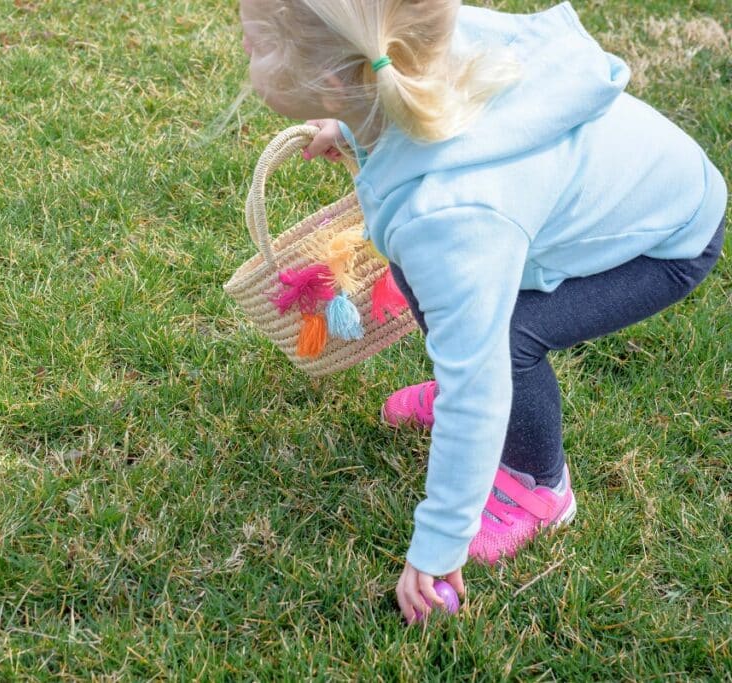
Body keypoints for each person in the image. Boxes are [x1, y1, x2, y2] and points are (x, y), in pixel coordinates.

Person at [238, 0, 727, 624]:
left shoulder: (449, 214)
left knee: (505, 339)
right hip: (602, 187)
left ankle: (538, 486)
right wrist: (354, 124)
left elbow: (479, 384)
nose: (248, 50)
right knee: (438, 280)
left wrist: (438, 546)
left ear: (334, 80)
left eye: (259, 42)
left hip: (670, 235)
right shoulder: (405, 48)